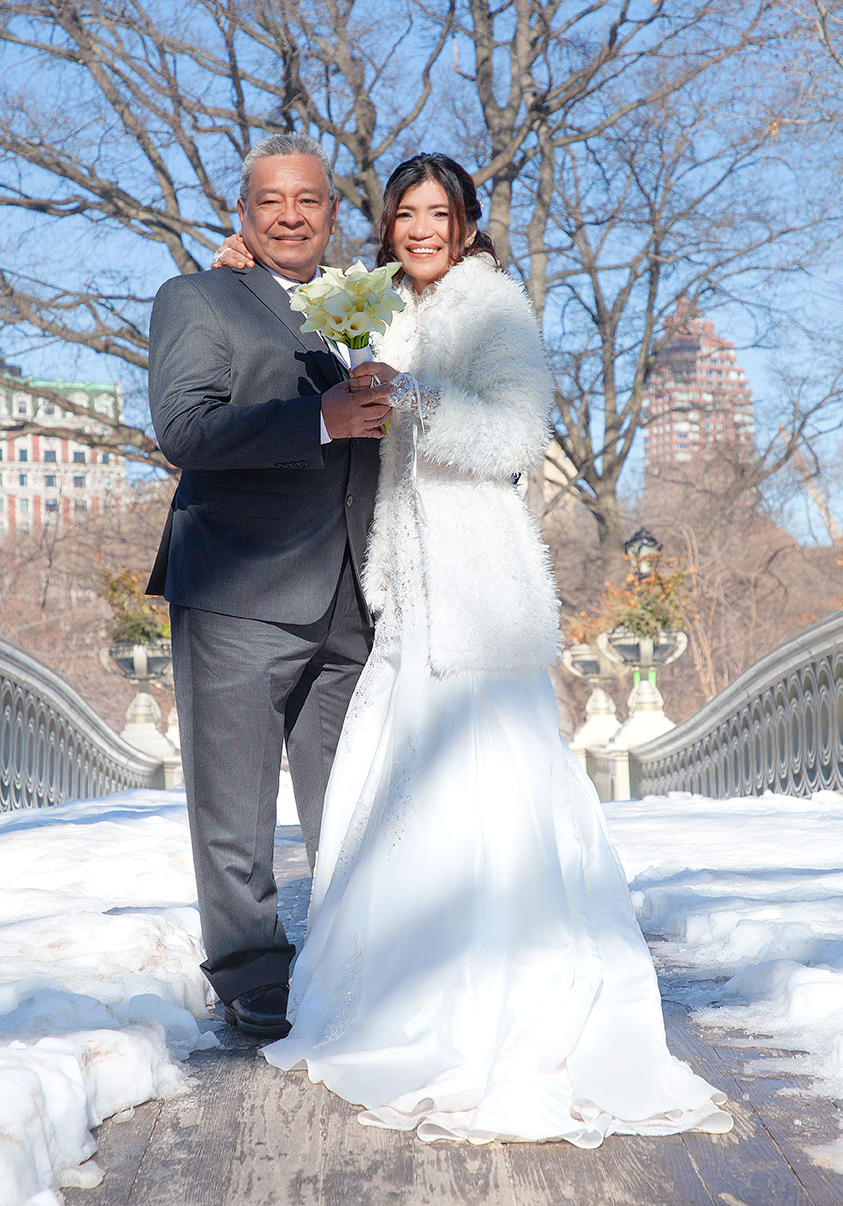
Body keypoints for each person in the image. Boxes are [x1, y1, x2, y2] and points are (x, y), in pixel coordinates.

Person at [237, 152, 733, 1145]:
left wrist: (414, 397)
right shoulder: (388, 308)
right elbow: (308, 334)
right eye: (405, 215)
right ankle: (395, 996)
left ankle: (498, 1000)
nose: (421, 229)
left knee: (488, 789)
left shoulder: (494, 305)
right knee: (395, 786)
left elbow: (512, 437)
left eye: (438, 213)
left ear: (466, 223)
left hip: (478, 580)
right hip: (408, 584)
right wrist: (242, 268)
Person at [146, 133, 390, 1041]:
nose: (291, 216)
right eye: (271, 202)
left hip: (354, 594)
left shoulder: (358, 308)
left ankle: (354, 955)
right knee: (235, 805)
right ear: (243, 215)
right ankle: (251, 974)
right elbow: (186, 428)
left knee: (356, 801)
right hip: (239, 586)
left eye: (309, 201)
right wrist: (317, 417)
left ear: (333, 213)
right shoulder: (199, 297)